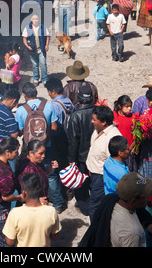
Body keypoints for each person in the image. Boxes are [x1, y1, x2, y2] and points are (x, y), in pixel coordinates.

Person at [15, 83, 65, 213]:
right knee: (51, 175)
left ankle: (34, 201)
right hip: (46, 146)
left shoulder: (21, 110)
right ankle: (59, 204)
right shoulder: (48, 105)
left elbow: (20, 131)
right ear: (36, 93)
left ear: (24, 95)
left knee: (30, 176)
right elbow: (54, 127)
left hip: (30, 149)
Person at [79, 172, 152, 247]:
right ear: (133, 201)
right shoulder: (132, 232)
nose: (148, 197)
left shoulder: (111, 200)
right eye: (145, 195)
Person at [2, 173, 61, 247]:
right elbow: (55, 237)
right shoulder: (51, 211)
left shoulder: (15, 213)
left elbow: (9, 242)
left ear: (24, 193)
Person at [86, 105, 122, 220]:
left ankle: (96, 233)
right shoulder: (98, 130)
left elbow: (112, 162)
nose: (92, 121)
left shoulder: (113, 137)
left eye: (94, 119)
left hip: (102, 177)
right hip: (94, 174)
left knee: (95, 207)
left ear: (104, 122)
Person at [67, 85, 95, 216]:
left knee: (81, 185)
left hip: (81, 157)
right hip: (96, 155)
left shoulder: (75, 116)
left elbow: (73, 141)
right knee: (94, 182)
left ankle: (85, 207)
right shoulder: (98, 111)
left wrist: (71, 160)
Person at [45, 77, 74, 169]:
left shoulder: (54, 105)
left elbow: (54, 126)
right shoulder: (69, 101)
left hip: (59, 140)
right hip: (70, 137)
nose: (48, 94)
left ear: (53, 91)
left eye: (48, 91)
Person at [22, 14, 50, 86]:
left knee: (43, 64)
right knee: (34, 65)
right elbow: (24, 38)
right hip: (32, 50)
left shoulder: (43, 27)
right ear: (31, 19)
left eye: (37, 19)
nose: (35, 20)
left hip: (41, 49)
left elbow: (47, 36)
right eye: (34, 19)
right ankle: (36, 79)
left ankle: (45, 79)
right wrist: (27, 46)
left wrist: (47, 45)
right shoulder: (27, 28)